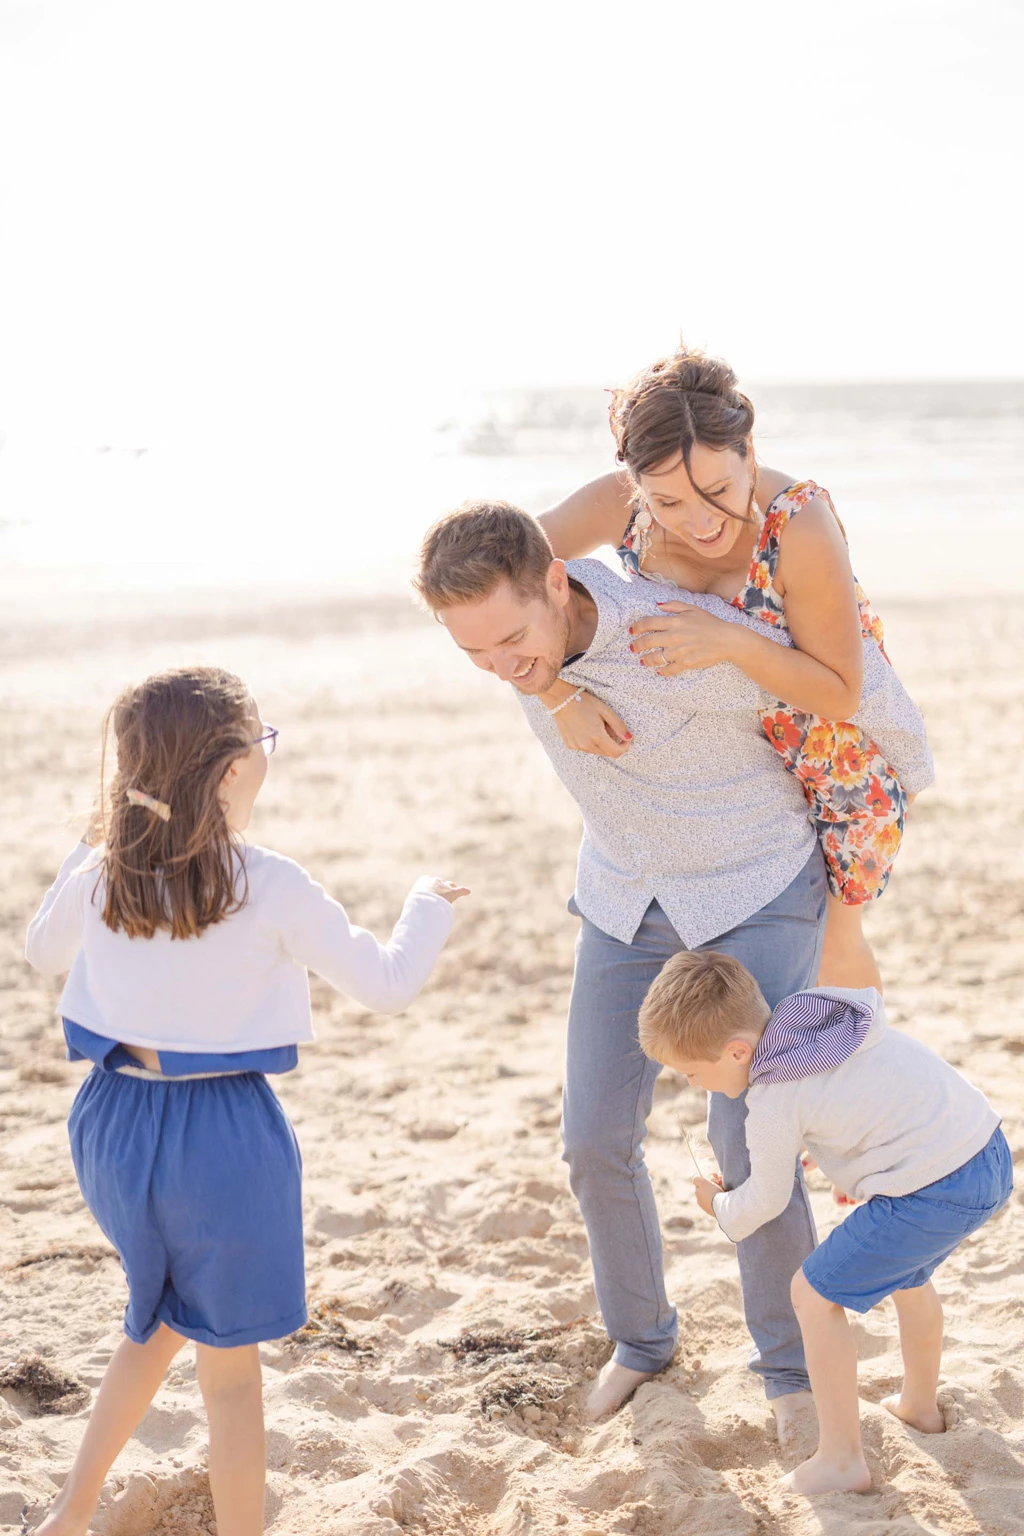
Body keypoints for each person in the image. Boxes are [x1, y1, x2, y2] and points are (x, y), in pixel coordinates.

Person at [416, 500, 841, 1430]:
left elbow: (832, 707)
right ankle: (644, 1343)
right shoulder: (514, 626)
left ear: (558, 581)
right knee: (594, 1140)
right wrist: (554, 688)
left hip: (754, 886)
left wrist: (850, 909)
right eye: (473, 653)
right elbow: (533, 589)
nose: (499, 666)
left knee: (749, 1142)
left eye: (511, 641)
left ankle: (791, 1368)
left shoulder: (666, 636)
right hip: (626, 896)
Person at [24, 666, 467, 1536]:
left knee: (155, 1318)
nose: (267, 757)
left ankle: (70, 1514)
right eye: (261, 741)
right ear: (230, 769)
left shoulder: (103, 870)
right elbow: (386, 984)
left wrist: (94, 839)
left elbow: (43, 955)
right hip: (220, 1137)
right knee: (228, 1374)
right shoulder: (267, 882)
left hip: (111, 1125)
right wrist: (425, 907)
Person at [535, 344, 933, 991]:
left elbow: (842, 691)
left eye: (717, 491)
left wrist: (729, 641)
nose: (698, 522)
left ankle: (860, 1070)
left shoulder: (800, 525)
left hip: (833, 761)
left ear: (749, 451)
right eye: (667, 503)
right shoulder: (624, 504)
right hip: (721, 760)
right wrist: (554, 692)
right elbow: (509, 578)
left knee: (831, 952)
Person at [638, 948, 1012, 1494]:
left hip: (930, 1190)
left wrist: (717, 1206)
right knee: (910, 1277)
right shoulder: (817, 1024)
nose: (695, 1084)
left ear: (738, 1051)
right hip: (986, 1153)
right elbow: (859, 1101)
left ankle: (841, 1459)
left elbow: (763, 1202)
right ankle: (920, 1406)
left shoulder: (770, 1098)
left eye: (694, 1073)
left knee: (812, 1294)